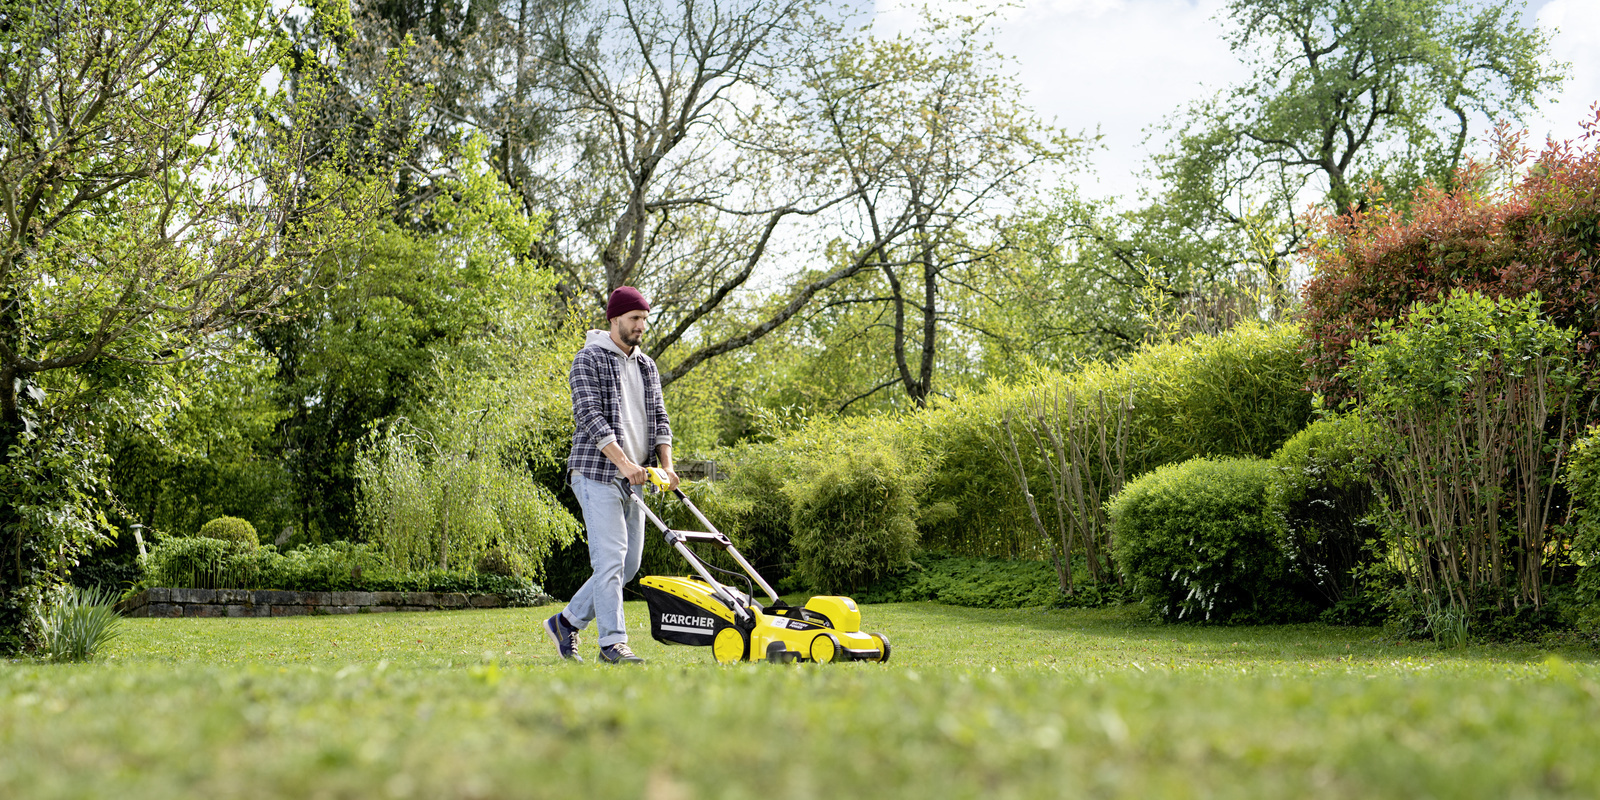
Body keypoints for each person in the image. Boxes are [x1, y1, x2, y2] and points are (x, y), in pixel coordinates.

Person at [544, 286, 678, 665]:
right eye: (635, 319)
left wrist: (665, 466)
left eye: (644, 320)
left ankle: (566, 622)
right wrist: (624, 464)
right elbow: (589, 416)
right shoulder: (588, 360)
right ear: (614, 318)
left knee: (628, 564)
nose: (640, 326)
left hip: (637, 478)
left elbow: (660, 418)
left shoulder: (647, 366)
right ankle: (613, 644)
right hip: (597, 472)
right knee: (610, 560)